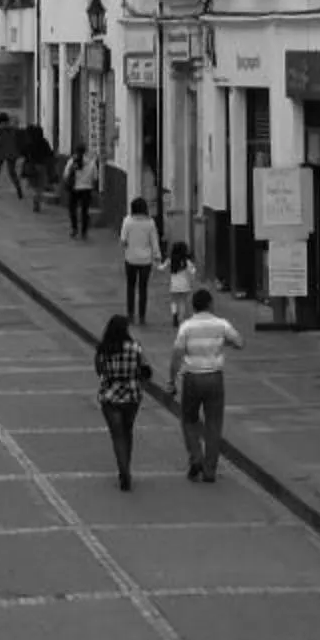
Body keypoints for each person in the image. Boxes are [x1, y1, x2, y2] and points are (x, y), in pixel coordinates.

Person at [169, 288, 243, 482]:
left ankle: (196, 456)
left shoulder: (186, 327)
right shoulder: (221, 324)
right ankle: (210, 470)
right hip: (214, 377)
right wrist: (224, 343)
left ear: (193, 306)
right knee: (213, 424)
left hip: (192, 377)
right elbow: (239, 342)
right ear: (210, 304)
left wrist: (171, 379)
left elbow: (177, 355)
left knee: (189, 419)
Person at [91, 313, 153, 491]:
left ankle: (123, 470)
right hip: (132, 395)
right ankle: (127, 466)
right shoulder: (135, 348)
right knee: (128, 431)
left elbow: (99, 370)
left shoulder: (103, 349)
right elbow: (146, 370)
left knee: (117, 435)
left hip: (110, 395)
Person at [117, 198, 160, 323]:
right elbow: (154, 242)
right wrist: (157, 256)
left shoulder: (128, 221)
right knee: (143, 288)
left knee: (130, 287)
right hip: (146, 260)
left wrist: (127, 247)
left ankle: (130, 314)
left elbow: (123, 240)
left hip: (130, 259)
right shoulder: (150, 222)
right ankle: (142, 316)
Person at [162, 240, 198, 328]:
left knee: (174, 301)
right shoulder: (186, 261)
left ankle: (174, 314)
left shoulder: (171, 260)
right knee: (182, 302)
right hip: (185, 285)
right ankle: (181, 320)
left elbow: (162, 267)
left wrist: (157, 263)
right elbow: (193, 271)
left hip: (174, 285)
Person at [61, 145, 93, 238]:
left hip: (74, 188)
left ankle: (74, 228)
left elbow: (65, 175)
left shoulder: (71, 161)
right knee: (85, 211)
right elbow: (95, 177)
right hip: (87, 188)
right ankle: (84, 231)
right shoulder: (91, 162)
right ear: (85, 151)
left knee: (72, 209)